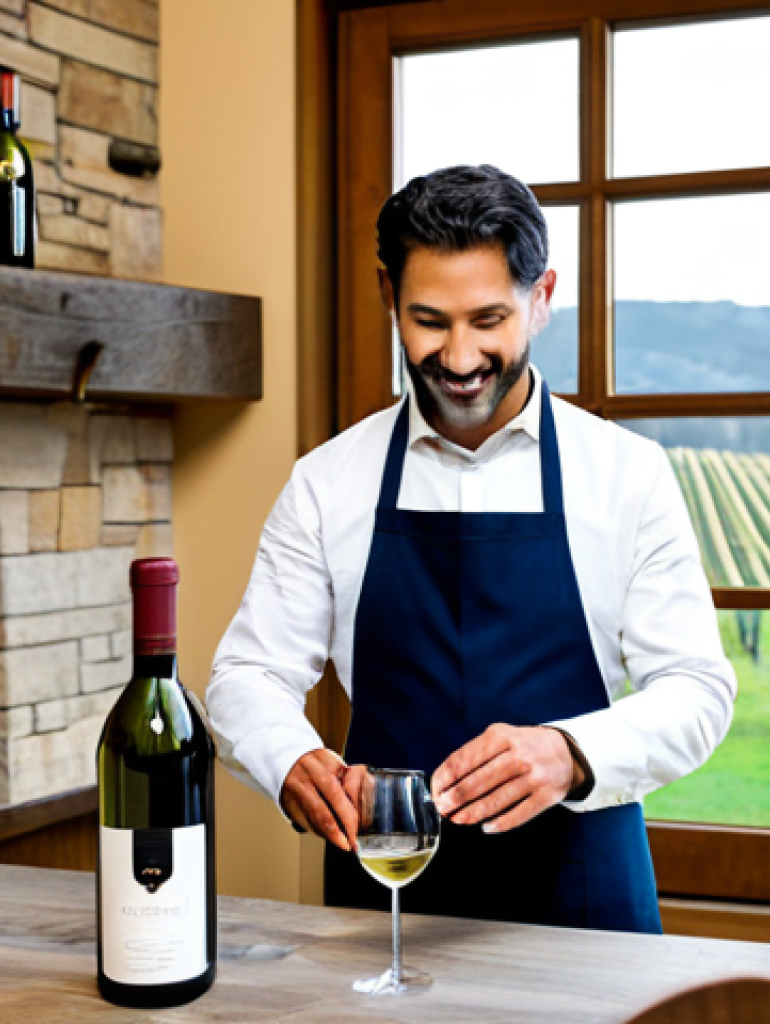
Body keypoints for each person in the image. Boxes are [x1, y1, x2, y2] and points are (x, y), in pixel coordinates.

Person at [207, 164, 736, 934]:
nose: (458, 359)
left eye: (488, 321)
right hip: (383, 901)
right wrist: (287, 757)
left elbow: (696, 689)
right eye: (430, 321)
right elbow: (247, 674)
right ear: (388, 296)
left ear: (542, 298)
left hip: (584, 906)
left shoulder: (628, 475)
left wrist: (569, 751)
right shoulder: (327, 482)